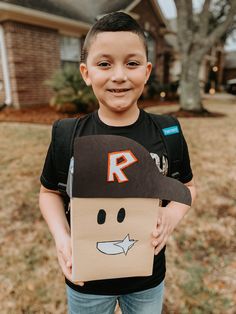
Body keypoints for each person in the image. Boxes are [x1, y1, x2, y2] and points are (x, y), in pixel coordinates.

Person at [39, 11, 196, 314]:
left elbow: (187, 186)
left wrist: (172, 214)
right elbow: (49, 193)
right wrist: (62, 237)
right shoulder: (67, 135)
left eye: (132, 63)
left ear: (147, 71)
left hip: (146, 280)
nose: (120, 75)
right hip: (86, 282)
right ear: (86, 73)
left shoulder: (167, 132)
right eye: (105, 64)